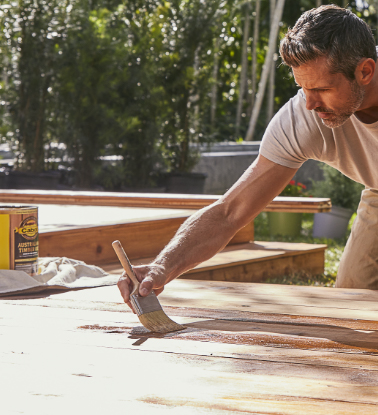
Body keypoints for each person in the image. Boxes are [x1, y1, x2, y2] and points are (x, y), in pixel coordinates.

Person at [118, 4, 378, 307]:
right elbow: (230, 212)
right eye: (302, 88)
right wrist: (162, 266)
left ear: (365, 71)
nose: (309, 104)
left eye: (321, 88)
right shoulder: (304, 119)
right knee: (352, 299)